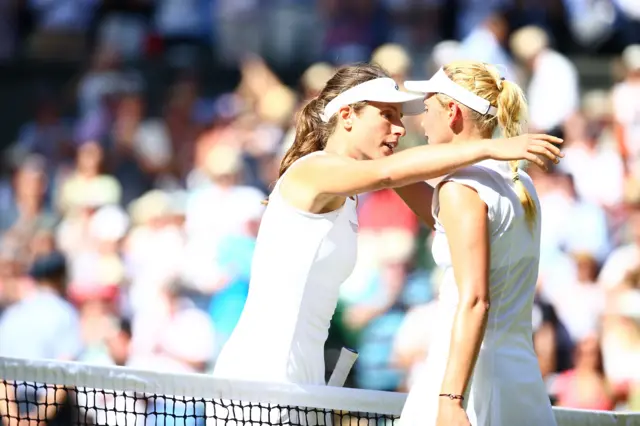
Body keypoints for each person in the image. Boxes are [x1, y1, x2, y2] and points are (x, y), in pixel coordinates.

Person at [211, 62, 561, 425]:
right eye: (388, 115)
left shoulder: (349, 187)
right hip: (260, 379)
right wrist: (490, 147)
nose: (400, 129)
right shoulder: (313, 170)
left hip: (307, 382)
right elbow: (388, 173)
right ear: (347, 116)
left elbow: (439, 213)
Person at [398, 62, 557, 426]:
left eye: (427, 108)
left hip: (467, 382)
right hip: (519, 379)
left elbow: (474, 300)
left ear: (451, 112)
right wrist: (385, 173)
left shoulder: (461, 189)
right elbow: (448, 225)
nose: (421, 122)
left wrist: (451, 400)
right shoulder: (519, 183)